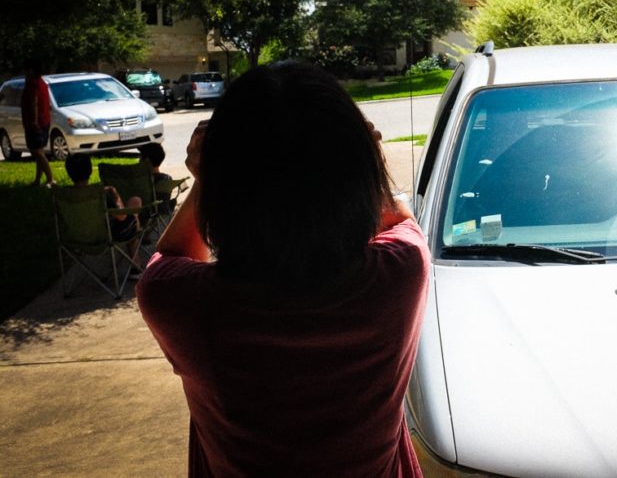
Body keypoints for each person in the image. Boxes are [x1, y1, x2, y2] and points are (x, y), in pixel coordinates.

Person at [136, 62, 430, 477]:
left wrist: (207, 177)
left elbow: (169, 259)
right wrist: (369, 157)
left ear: (223, 188)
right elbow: (397, 219)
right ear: (357, 173)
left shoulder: (186, 306)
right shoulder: (399, 276)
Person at [64, 153, 142, 244]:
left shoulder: (64, 195)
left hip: (76, 237)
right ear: (90, 171)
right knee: (134, 209)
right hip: (104, 237)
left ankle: (135, 256)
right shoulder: (98, 193)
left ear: (69, 173)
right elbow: (122, 216)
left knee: (134, 203)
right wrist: (114, 193)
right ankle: (135, 255)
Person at [21, 58, 54, 186]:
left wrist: (33, 121)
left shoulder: (32, 84)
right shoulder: (42, 83)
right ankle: (37, 180)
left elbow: (34, 102)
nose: (25, 72)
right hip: (44, 121)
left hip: (35, 123)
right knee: (39, 152)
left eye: (26, 69)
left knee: (37, 152)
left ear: (31, 70)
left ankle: (50, 178)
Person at [138, 142, 176, 213]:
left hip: (147, 218)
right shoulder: (167, 178)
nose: (139, 160)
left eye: (140, 157)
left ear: (146, 160)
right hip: (165, 216)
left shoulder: (143, 181)